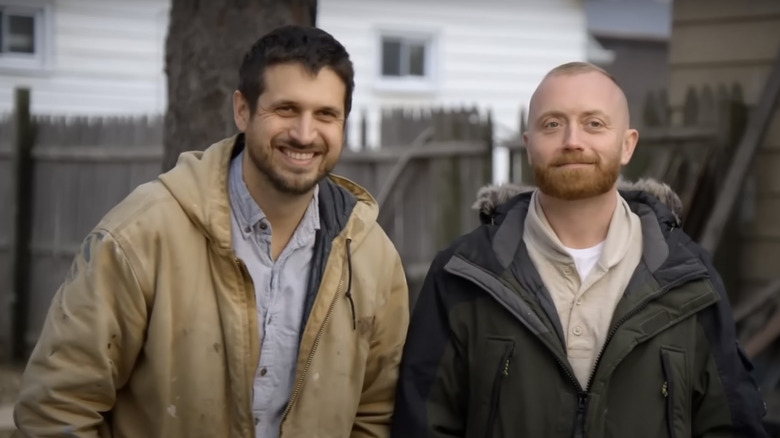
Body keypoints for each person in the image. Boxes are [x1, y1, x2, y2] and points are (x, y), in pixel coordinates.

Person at [14, 25, 409, 438]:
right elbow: (57, 409)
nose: (305, 134)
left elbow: (376, 415)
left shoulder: (371, 257)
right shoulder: (141, 234)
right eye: (286, 109)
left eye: (325, 114)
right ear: (242, 110)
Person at [390, 62, 767, 437]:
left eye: (594, 124)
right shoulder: (463, 275)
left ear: (627, 144)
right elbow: (423, 425)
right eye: (552, 124)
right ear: (529, 144)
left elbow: (731, 425)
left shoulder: (689, 280)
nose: (572, 140)